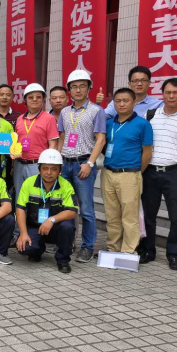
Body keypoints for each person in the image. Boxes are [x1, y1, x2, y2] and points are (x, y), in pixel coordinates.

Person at [139, 78, 177, 270]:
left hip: (175, 173)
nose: (171, 96)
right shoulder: (150, 115)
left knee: (176, 217)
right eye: (168, 92)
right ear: (162, 94)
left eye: (176, 93)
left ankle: (174, 254)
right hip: (151, 172)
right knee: (148, 215)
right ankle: (148, 250)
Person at [57, 69, 106, 263]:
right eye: (74, 87)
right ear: (69, 90)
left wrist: (90, 163)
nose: (78, 90)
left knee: (86, 209)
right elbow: (62, 138)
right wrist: (58, 162)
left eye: (82, 86)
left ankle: (87, 247)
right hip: (65, 164)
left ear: (89, 88)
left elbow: (100, 139)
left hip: (84, 164)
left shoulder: (96, 111)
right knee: (66, 206)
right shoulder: (64, 112)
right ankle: (68, 243)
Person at [101, 88, 153, 255]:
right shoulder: (109, 123)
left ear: (134, 102)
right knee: (112, 215)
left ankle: (128, 251)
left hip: (130, 175)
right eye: (118, 101)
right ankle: (113, 248)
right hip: (108, 173)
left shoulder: (143, 124)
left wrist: (136, 172)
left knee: (130, 216)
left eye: (126, 100)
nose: (122, 104)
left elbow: (147, 152)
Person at [15, 149, 78, 273]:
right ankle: (37, 250)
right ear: (39, 169)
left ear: (59, 170)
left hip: (56, 227)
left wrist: (51, 220)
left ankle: (63, 260)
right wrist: (23, 233)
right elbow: (20, 208)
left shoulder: (66, 185)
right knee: (25, 248)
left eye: (53, 169)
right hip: (35, 226)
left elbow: (72, 211)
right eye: (45, 168)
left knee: (68, 227)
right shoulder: (28, 183)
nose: (49, 173)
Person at [12, 83, 59, 203]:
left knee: (37, 197)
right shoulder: (19, 119)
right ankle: (20, 216)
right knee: (20, 197)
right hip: (19, 164)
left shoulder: (49, 118)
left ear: (43, 100)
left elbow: (53, 145)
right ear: (25, 100)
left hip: (37, 165)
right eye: (30, 97)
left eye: (38, 97)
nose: (34, 99)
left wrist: (49, 166)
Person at [99, 66, 164, 118]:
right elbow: (101, 117)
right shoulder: (119, 102)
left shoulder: (158, 104)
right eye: (135, 81)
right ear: (129, 84)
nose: (139, 84)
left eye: (143, 80)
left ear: (149, 83)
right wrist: (98, 104)